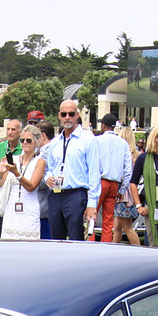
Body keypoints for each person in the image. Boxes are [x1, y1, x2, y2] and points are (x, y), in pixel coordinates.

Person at [41, 100, 100, 240]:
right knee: (55, 238)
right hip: (55, 195)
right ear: (59, 116)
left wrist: (92, 204)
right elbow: (49, 168)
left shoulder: (88, 139)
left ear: (77, 115)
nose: (67, 117)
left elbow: (94, 173)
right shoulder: (55, 142)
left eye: (71, 114)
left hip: (76, 195)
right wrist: (47, 178)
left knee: (76, 238)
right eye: (64, 114)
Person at [0, 125, 46, 241]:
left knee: (29, 245)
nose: (25, 143)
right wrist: (0, 172)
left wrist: (16, 173)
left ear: (36, 141)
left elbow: (31, 186)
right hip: (11, 208)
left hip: (29, 208)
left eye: (28, 140)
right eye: (22, 140)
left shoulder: (40, 162)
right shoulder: (13, 159)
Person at [130, 124, 158, 249]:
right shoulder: (144, 158)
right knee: (154, 240)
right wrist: (139, 205)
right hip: (151, 206)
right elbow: (133, 182)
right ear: (155, 138)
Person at [92, 113, 132, 243]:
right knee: (108, 220)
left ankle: (89, 244)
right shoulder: (123, 143)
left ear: (103, 125)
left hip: (99, 182)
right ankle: (106, 245)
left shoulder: (96, 141)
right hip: (114, 184)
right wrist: (122, 189)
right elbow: (128, 170)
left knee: (92, 215)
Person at [111, 126, 141, 245]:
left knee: (127, 228)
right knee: (117, 226)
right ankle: (114, 248)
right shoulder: (136, 155)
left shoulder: (123, 154)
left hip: (124, 193)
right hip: (131, 192)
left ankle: (138, 250)